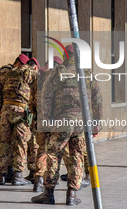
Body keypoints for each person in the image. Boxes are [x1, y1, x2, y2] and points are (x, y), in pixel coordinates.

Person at [31, 44, 103, 205]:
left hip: (61, 121)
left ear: (64, 56)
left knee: (54, 155)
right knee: (77, 156)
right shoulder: (88, 74)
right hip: (81, 122)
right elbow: (98, 101)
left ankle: (48, 193)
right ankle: (71, 195)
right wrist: (96, 125)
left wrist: (48, 121)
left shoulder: (57, 73)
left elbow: (46, 98)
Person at [0, 54, 37, 185]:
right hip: (21, 111)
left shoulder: (8, 72)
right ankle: (18, 176)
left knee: (4, 143)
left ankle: (1, 176)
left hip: (5, 110)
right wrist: (34, 109)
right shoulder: (30, 72)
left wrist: (0, 105)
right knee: (21, 143)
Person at [33, 56, 63, 192]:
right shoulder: (61, 77)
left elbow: (31, 99)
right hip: (57, 120)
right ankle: (51, 183)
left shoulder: (39, 77)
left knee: (42, 149)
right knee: (57, 152)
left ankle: (39, 180)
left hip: (42, 119)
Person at [25, 58, 40, 184]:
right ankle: (35, 174)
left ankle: (34, 173)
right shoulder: (38, 78)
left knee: (33, 144)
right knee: (34, 144)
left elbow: (32, 101)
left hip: (34, 116)